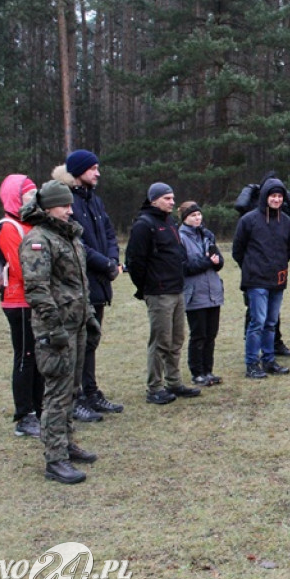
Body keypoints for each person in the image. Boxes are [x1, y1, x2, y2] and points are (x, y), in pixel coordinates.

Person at [19, 180, 99, 484]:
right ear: (49, 207)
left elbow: (79, 284)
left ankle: (66, 443)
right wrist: (54, 329)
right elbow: (37, 290)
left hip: (75, 324)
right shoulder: (39, 240)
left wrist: (89, 317)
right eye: (64, 205)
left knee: (72, 389)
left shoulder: (68, 236)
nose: (70, 210)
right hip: (56, 330)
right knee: (56, 392)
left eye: (70, 204)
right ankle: (55, 459)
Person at [53, 149, 124, 422]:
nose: (98, 173)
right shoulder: (65, 201)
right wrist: (105, 264)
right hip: (77, 285)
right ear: (79, 170)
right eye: (93, 168)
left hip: (98, 282)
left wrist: (113, 259)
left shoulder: (94, 200)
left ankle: (91, 393)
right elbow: (77, 243)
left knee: (91, 340)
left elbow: (108, 233)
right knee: (78, 343)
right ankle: (76, 398)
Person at [126, 182, 202, 404]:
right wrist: (146, 287)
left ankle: (174, 382)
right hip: (159, 292)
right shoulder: (144, 225)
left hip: (177, 289)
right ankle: (155, 387)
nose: (172, 202)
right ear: (154, 200)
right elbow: (135, 261)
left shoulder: (169, 223)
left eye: (172, 198)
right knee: (161, 341)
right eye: (167, 198)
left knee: (176, 339)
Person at [232, 176, 290, 378]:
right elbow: (238, 250)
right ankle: (252, 363)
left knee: (271, 322)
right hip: (256, 280)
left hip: (277, 279)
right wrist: (251, 267)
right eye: (273, 196)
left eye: (279, 196)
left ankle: (269, 360)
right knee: (257, 322)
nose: (276, 199)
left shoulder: (287, 222)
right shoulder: (249, 220)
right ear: (265, 196)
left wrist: (280, 264)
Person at [0, 174, 43, 438]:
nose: (34, 198)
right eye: (29, 194)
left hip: (36, 299)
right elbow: (22, 268)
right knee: (25, 356)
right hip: (19, 301)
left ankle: (40, 409)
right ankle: (24, 416)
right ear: (15, 197)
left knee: (38, 356)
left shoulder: (31, 225)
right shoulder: (8, 227)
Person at [178, 202, 225, 386]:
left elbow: (218, 262)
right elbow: (184, 267)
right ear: (185, 218)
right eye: (193, 215)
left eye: (199, 214)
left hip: (213, 291)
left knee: (211, 334)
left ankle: (208, 370)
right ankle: (197, 372)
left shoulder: (207, 235)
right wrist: (207, 262)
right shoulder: (180, 238)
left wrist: (217, 261)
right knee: (198, 335)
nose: (197, 218)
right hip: (194, 293)